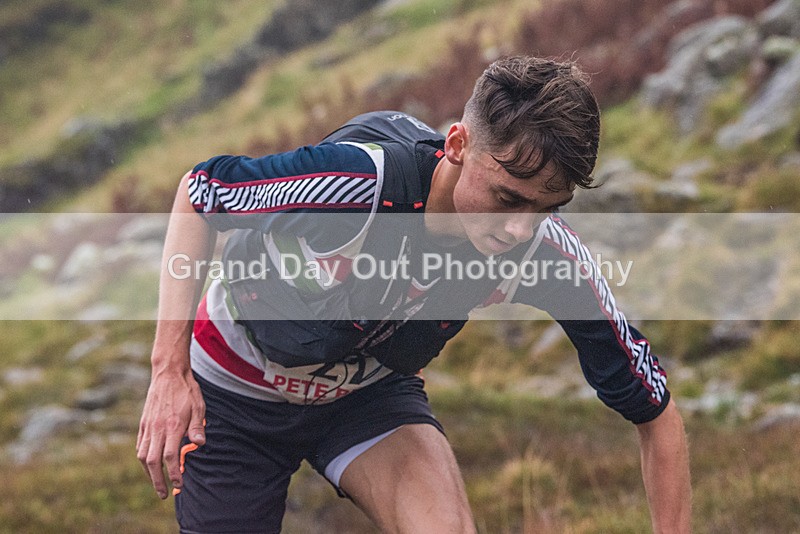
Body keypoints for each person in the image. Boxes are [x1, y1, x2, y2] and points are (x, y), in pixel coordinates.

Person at [137, 56, 691, 533]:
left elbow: (656, 413)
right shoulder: (355, 185)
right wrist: (168, 369)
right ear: (457, 145)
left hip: (362, 400)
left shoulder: (545, 254)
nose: (520, 230)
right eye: (507, 197)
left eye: (547, 207)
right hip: (235, 392)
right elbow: (200, 190)